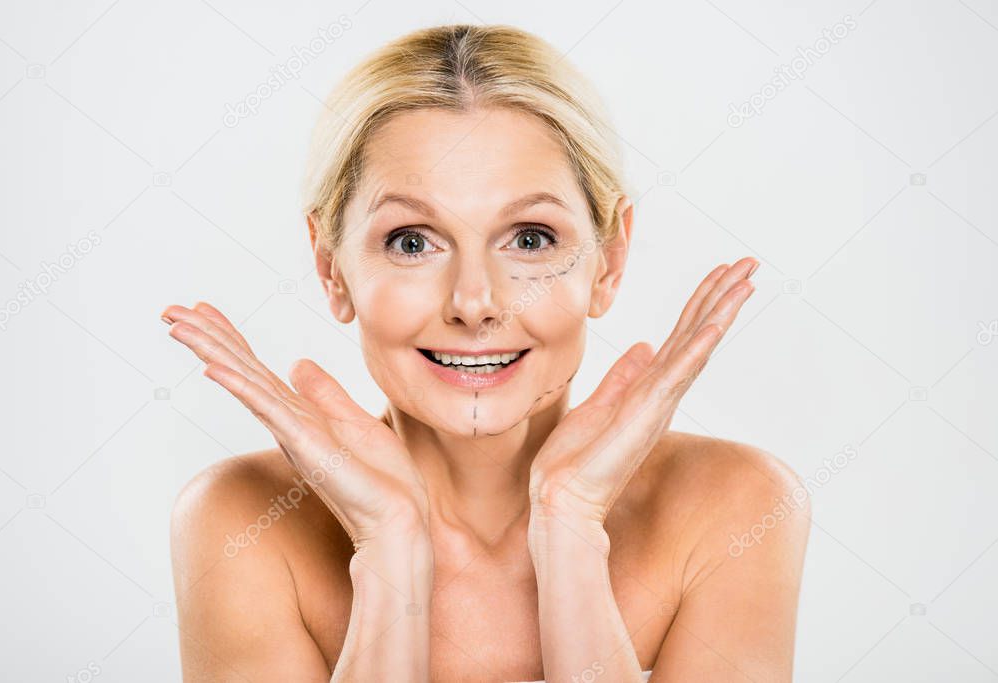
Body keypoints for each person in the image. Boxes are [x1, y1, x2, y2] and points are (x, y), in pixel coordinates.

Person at [162, 23, 810, 682]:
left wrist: (572, 525)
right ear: (331, 267)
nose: (474, 302)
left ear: (608, 259)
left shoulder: (734, 506)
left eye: (529, 239)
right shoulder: (239, 518)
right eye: (412, 241)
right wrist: (387, 546)